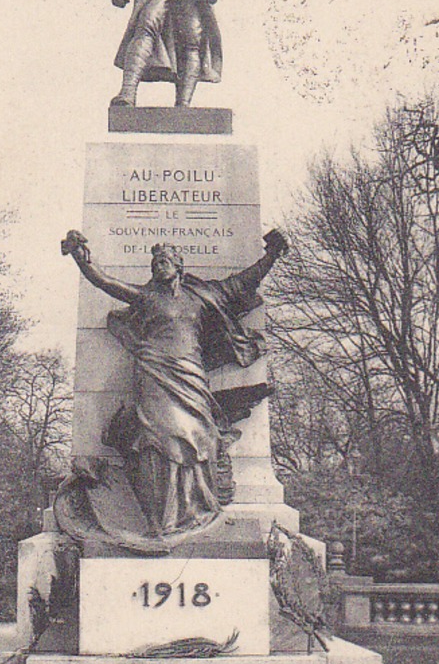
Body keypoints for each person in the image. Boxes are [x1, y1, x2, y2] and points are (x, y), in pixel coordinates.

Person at [57, 231, 287, 552]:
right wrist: (84, 261)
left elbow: (243, 282)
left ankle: (195, 508)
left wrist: (272, 255)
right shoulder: (146, 297)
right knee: (157, 438)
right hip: (153, 373)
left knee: (200, 436)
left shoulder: (202, 297)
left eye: (165, 261)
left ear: (179, 266)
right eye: (155, 262)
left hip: (190, 374)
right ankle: (158, 518)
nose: (159, 266)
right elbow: (107, 283)